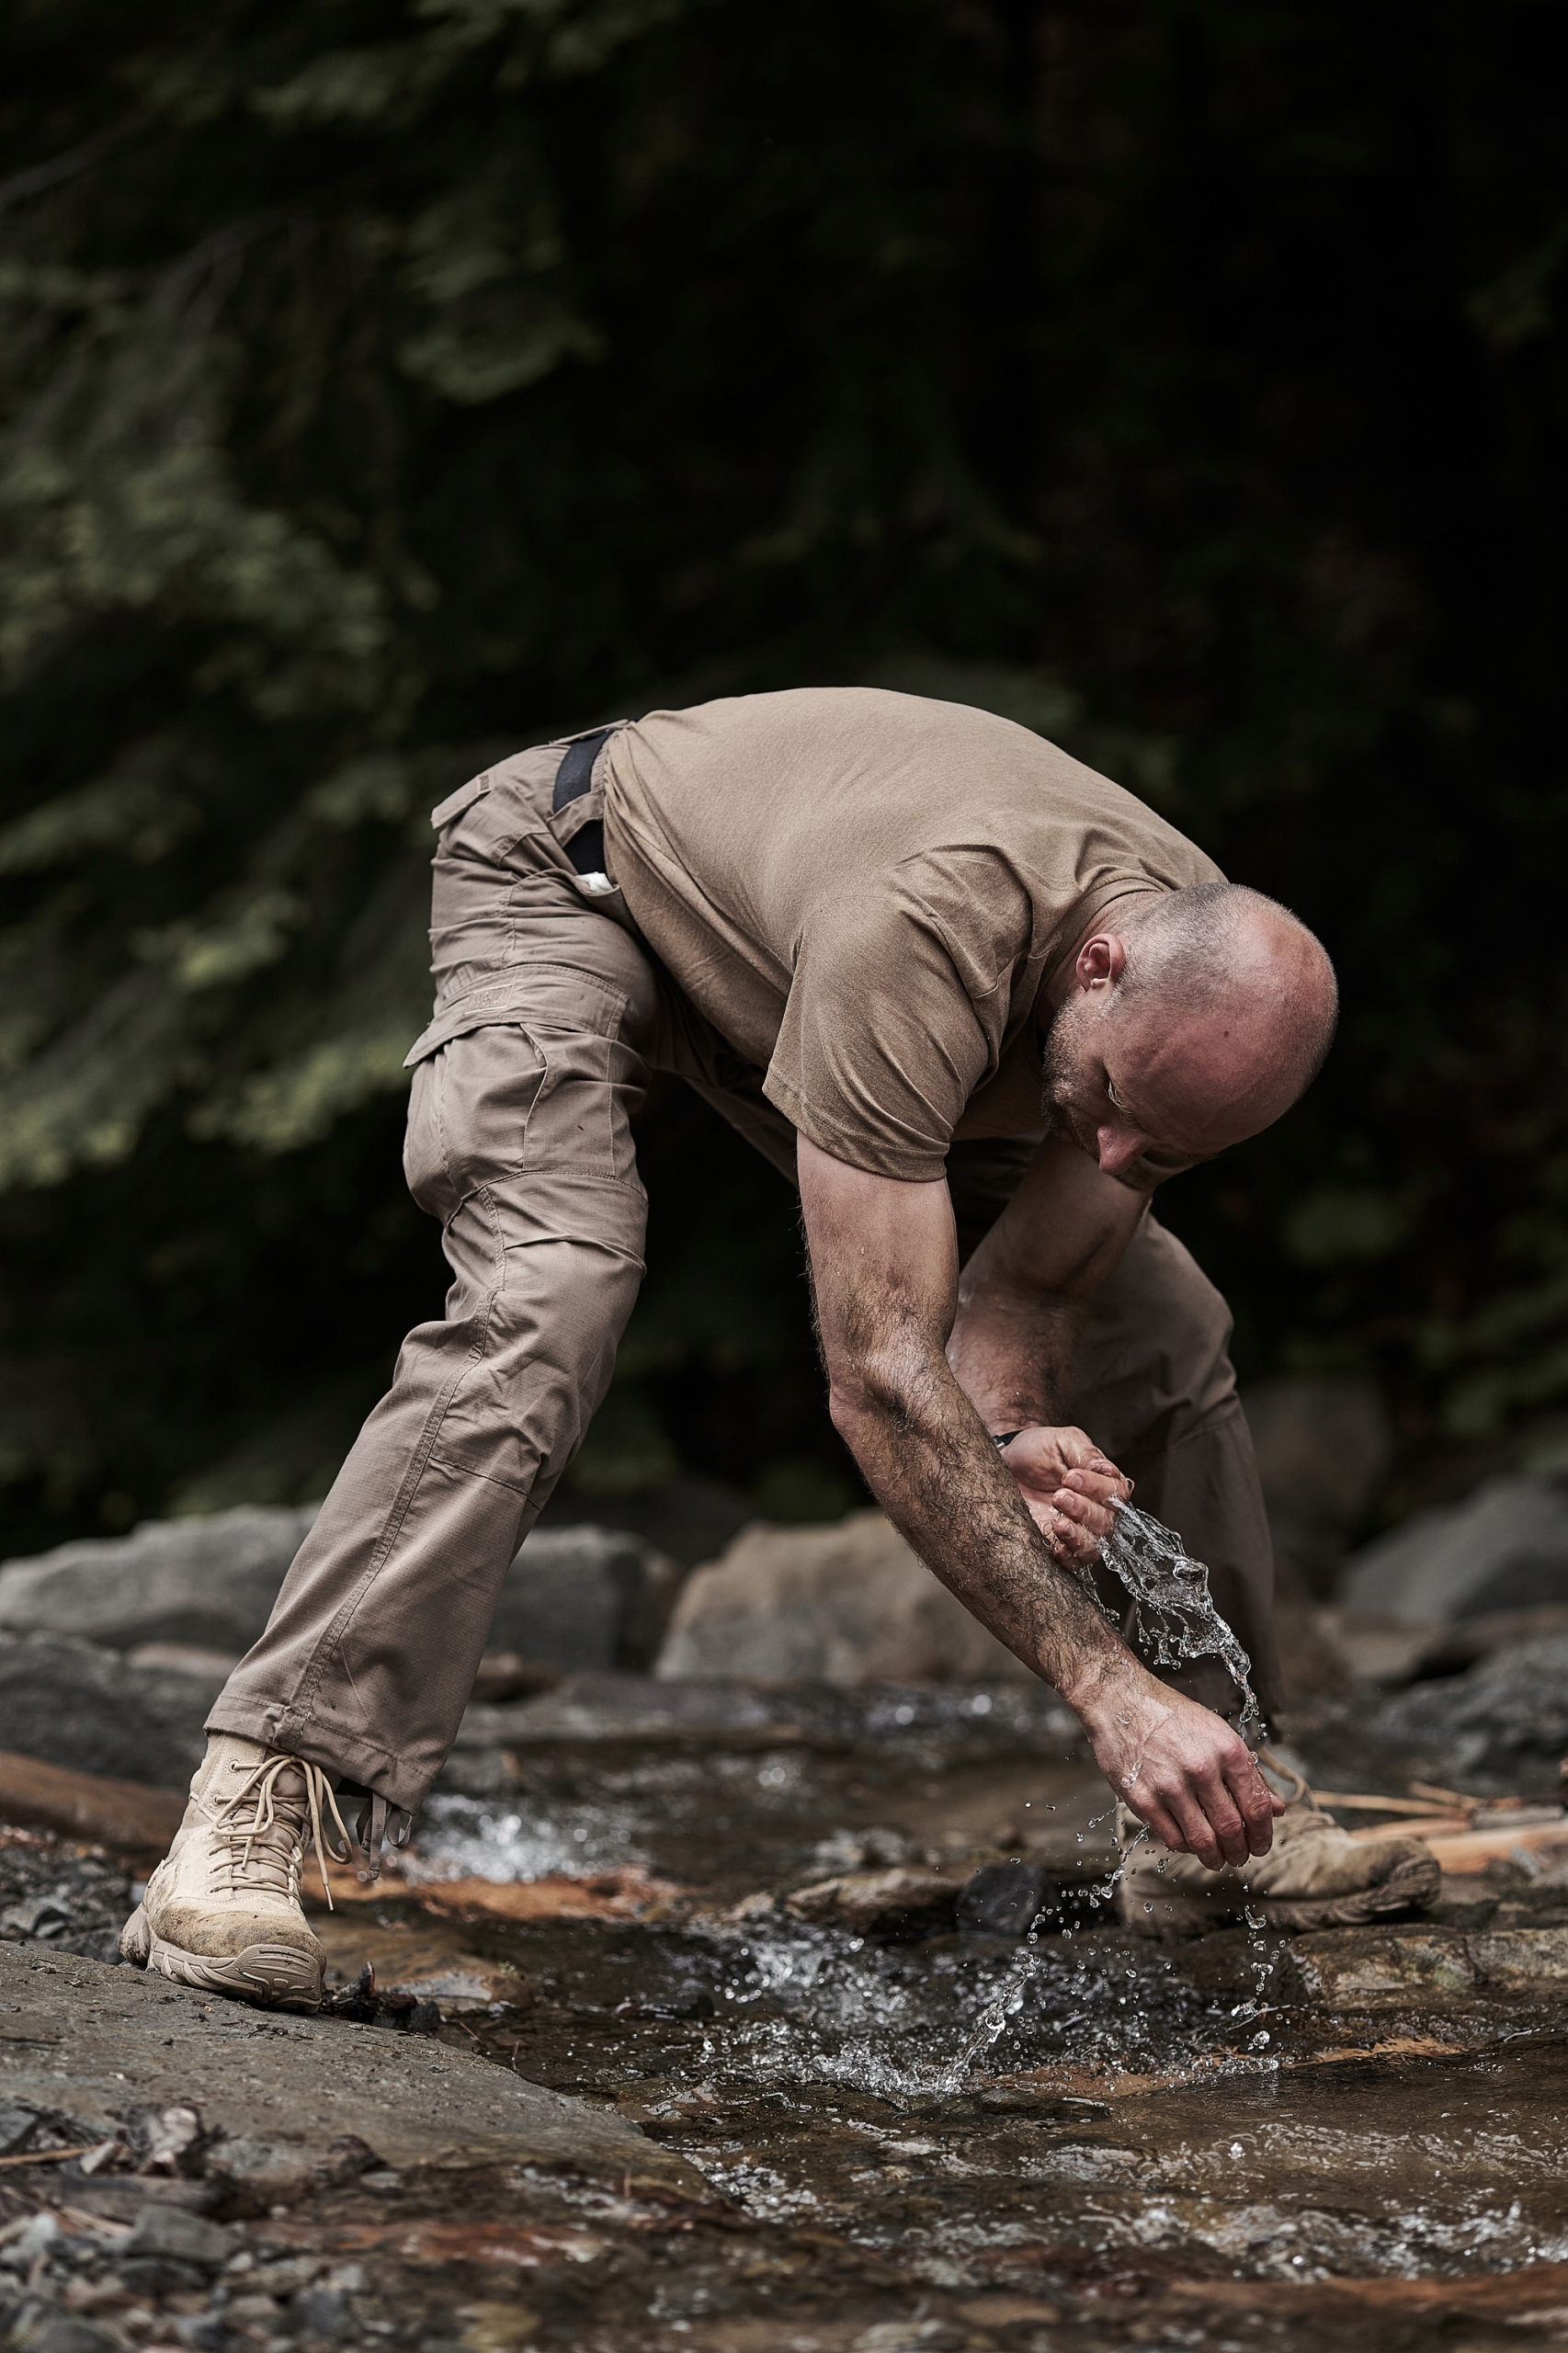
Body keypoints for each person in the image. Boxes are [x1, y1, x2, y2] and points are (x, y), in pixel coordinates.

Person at [120, 688, 1437, 2007]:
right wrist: (1107, 1691)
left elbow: (1029, 1294)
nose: (1111, 1155)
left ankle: (1216, 1815)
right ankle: (248, 1814)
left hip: (801, 958)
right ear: (1099, 964)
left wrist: (1000, 1438)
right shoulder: (927, 931)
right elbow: (880, 1379)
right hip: (577, 882)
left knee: (1165, 1326)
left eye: (1164, 1151)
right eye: (1109, 1106)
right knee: (553, 1295)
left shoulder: (1185, 1008)